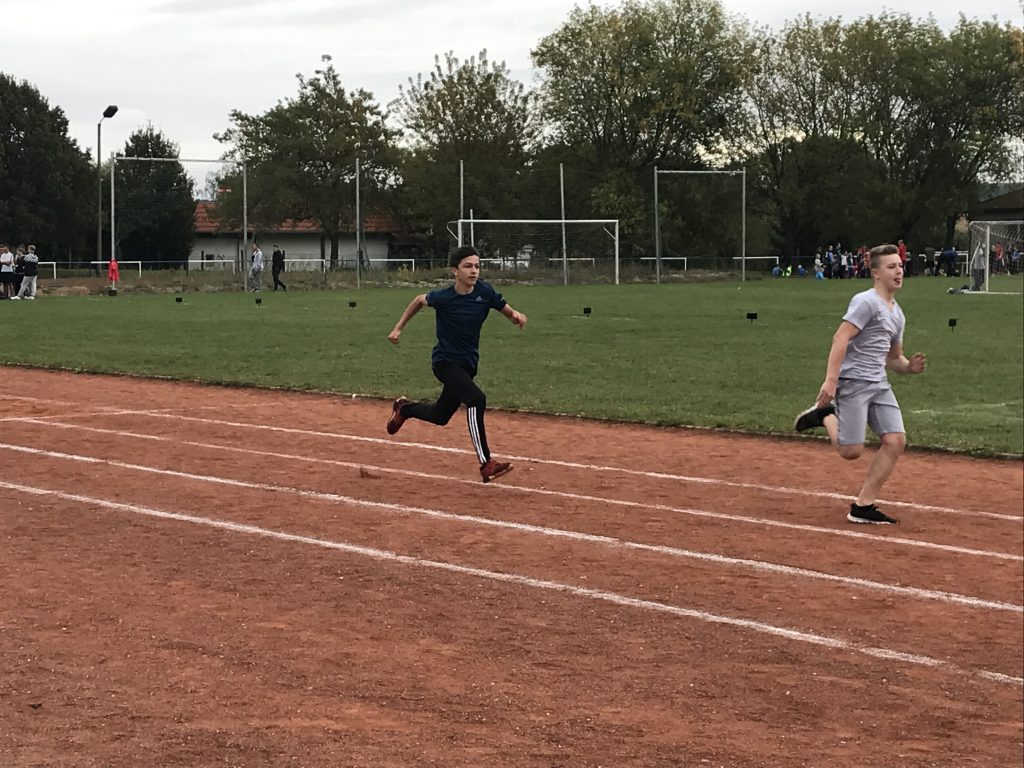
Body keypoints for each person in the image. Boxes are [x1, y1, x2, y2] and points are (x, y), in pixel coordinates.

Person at [793, 243, 926, 525]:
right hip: (853, 382)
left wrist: (908, 368)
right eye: (891, 267)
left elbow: (893, 358)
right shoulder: (866, 302)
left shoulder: (898, 313)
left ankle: (863, 506)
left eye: (900, 266)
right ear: (876, 272)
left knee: (895, 441)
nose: (898, 271)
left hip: (879, 384)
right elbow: (841, 337)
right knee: (851, 451)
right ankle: (825, 415)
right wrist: (831, 381)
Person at [385, 245, 527, 483]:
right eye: (468, 266)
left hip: (468, 365)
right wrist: (398, 328)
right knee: (476, 399)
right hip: (445, 362)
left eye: (477, 266)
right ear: (454, 271)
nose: (474, 271)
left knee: (440, 415)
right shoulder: (444, 297)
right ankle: (486, 464)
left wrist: (516, 317)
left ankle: (405, 409)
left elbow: (507, 311)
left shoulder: (485, 292)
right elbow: (419, 300)